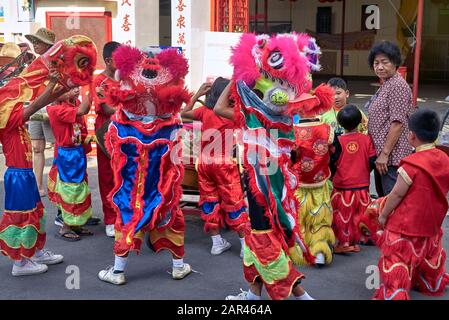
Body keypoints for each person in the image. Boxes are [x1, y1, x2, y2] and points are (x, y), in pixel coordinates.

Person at [97, 46, 192, 285]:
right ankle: (178, 266)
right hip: (162, 182)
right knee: (169, 208)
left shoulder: (121, 122)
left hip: (134, 182)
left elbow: (112, 145)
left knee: (130, 208)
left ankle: (118, 271)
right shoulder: (172, 122)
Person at [374, 109, 449, 300]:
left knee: (396, 259)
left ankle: (396, 292)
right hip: (431, 221)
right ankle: (431, 283)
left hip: (405, 224)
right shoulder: (445, 159)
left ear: (412, 135)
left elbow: (397, 194)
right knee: (429, 254)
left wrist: (383, 215)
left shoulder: (411, 164)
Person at [0, 71, 67, 276]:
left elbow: (37, 100)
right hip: (17, 177)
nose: (19, 99)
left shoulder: (13, 117)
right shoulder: (8, 119)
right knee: (21, 218)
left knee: (36, 212)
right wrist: (53, 84)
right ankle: (20, 263)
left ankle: (35, 251)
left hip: (25, 175)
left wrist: (62, 87)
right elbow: (36, 104)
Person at [181, 78, 248, 258]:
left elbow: (183, 114)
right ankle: (244, 245)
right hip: (223, 163)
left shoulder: (204, 111)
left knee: (209, 201)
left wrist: (197, 95)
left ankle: (217, 243)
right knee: (234, 202)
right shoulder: (230, 113)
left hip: (203, 162)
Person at [291, 88, 336, 266]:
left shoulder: (291, 130)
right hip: (320, 182)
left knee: (299, 217)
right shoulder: (327, 129)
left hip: (298, 183)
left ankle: (299, 250)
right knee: (321, 217)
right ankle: (319, 252)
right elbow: (334, 151)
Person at [367, 41, 415, 197]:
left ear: (395, 63)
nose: (379, 67)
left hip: (392, 157)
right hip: (384, 156)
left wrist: (384, 154)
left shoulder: (398, 86)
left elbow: (397, 123)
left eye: (384, 62)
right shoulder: (387, 83)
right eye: (376, 63)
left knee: (391, 199)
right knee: (383, 199)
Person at [47, 88, 93, 241]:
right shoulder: (56, 109)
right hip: (67, 155)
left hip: (77, 151)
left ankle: (76, 223)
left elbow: (79, 128)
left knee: (80, 188)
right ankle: (65, 226)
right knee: (70, 190)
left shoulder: (73, 104)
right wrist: (92, 92)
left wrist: (87, 140)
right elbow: (82, 111)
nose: (75, 90)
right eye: (69, 89)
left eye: (75, 87)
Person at [330, 105, 377, 253]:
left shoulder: (338, 141)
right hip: (361, 185)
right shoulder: (366, 139)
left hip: (342, 186)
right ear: (359, 122)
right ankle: (359, 240)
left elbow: (333, 162)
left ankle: (344, 243)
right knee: (360, 214)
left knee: (343, 216)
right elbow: (372, 160)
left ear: (340, 123)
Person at [91, 41, 121, 237]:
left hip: (124, 130)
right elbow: (107, 109)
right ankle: (110, 219)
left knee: (124, 174)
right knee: (108, 176)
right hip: (106, 130)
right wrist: (127, 108)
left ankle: (122, 215)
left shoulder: (123, 79)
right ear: (109, 60)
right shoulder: (98, 82)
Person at [25, 28, 56, 197]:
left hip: (51, 106)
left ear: (48, 45)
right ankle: (38, 184)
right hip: (34, 107)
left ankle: (58, 184)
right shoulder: (33, 64)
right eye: (34, 42)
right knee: (36, 148)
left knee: (59, 146)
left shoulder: (57, 62)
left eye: (38, 42)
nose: (35, 45)